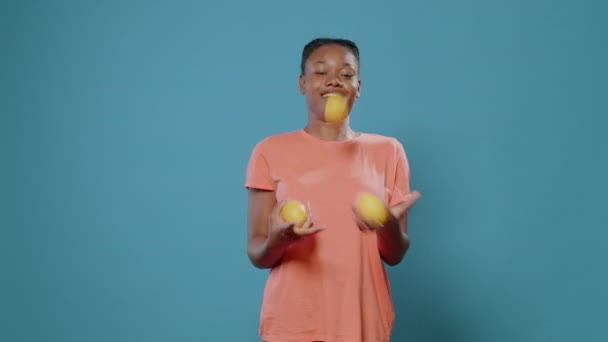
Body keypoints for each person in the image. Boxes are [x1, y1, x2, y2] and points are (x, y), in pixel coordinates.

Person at [244, 37, 421, 342]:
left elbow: (395, 254)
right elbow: (258, 254)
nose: (334, 81)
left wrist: (388, 225)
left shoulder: (388, 151)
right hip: (294, 321)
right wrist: (278, 240)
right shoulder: (269, 151)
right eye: (321, 72)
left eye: (347, 74)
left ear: (359, 87)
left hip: (363, 319)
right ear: (303, 83)